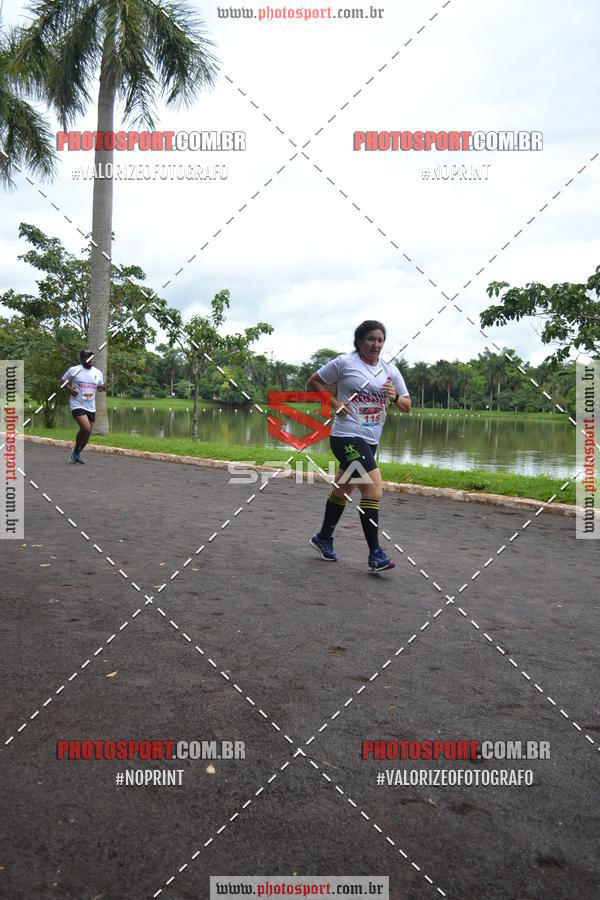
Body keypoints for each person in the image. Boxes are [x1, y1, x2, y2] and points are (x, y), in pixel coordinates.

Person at [307, 320, 411, 571]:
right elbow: (314, 382)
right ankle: (375, 554)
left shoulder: (390, 370)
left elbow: (407, 405)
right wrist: (334, 404)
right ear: (359, 341)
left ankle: (323, 538)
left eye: (380, 340)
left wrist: (394, 396)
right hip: (345, 436)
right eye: (370, 339)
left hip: (370, 440)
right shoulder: (345, 363)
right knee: (373, 489)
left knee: (343, 489)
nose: (376, 344)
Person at [62, 349, 107, 464]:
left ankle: (76, 453)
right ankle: (76, 451)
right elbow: (63, 382)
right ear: (82, 359)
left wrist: (103, 388)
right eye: (87, 357)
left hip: (90, 406)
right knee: (85, 428)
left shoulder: (98, 372)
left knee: (88, 433)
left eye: (92, 357)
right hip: (77, 404)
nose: (90, 359)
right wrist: (71, 390)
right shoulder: (74, 370)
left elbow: (99, 388)